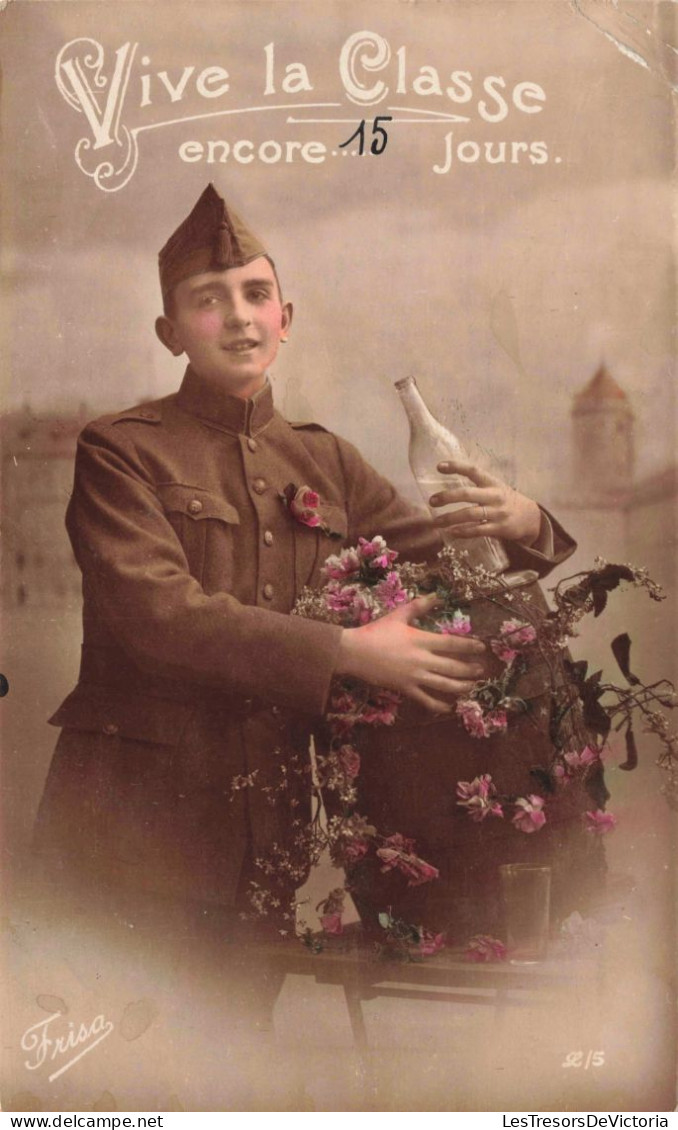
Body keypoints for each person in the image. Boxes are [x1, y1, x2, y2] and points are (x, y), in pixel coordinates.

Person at [34, 182, 578, 969]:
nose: (241, 316)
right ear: (171, 330)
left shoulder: (326, 461)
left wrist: (525, 522)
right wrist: (347, 651)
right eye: (209, 301)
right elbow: (159, 613)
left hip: (267, 849)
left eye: (257, 295)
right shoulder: (121, 449)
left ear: (286, 321)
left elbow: (444, 556)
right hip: (126, 837)